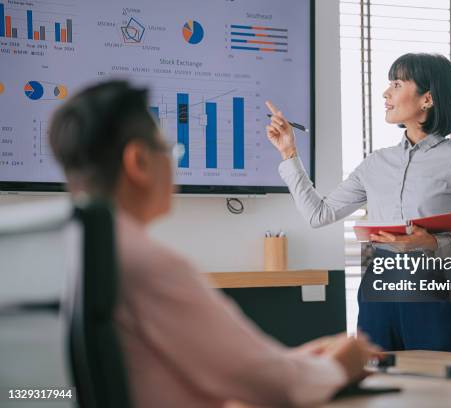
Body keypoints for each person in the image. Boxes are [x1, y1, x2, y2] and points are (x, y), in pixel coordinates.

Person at [48, 80, 380, 408]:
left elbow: (231, 367)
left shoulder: (69, 251)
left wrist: (294, 362)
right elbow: (271, 385)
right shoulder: (149, 265)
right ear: (139, 162)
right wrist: (341, 364)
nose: (173, 163)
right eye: (168, 148)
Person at [266, 53, 451, 352]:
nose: (386, 93)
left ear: (427, 98)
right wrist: (289, 154)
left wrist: (431, 244)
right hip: (378, 294)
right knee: (379, 391)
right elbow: (318, 214)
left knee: (436, 394)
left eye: (397, 84)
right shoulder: (376, 163)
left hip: (434, 296)